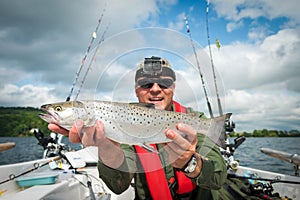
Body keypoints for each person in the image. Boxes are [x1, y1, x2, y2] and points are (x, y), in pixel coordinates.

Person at [49, 56, 227, 199]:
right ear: (136, 90)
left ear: (172, 88)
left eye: (163, 83)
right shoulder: (124, 120)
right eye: (146, 84)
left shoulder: (196, 121)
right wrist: (107, 149)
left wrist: (190, 162)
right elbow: (118, 187)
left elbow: (218, 178)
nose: (155, 89)